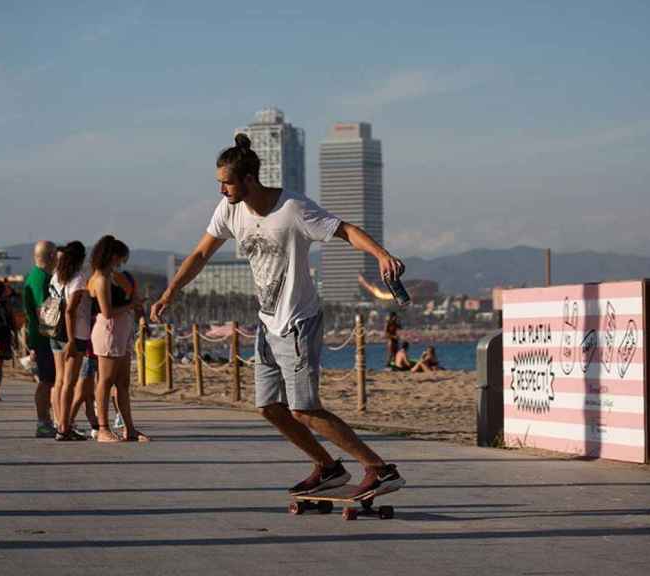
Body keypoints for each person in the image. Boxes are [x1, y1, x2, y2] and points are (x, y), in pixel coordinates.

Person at [151, 134, 406, 498]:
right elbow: (200, 254)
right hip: (268, 323)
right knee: (270, 407)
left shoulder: (293, 209)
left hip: (298, 321)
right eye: (220, 183)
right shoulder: (229, 210)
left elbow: (344, 229)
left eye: (227, 182)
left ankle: (380, 469)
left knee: (304, 409)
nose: (222, 189)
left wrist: (381, 255)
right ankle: (329, 467)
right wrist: (169, 292)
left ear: (249, 180)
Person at [88, 235, 147, 443]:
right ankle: (102, 428)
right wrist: (132, 305)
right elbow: (107, 312)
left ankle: (129, 428)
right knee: (105, 381)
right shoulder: (100, 279)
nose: (121, 263)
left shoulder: (111, 277)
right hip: (108, 332)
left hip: (120, 332)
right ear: (112, 256)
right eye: (120, 258)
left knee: (123, 382)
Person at [50, 241, 91, 441]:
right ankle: (64, 427)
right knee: (69, 383)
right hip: (74, 335)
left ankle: (60, 422)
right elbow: (70, 310)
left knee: (59, 381)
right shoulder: (78, 279)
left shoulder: (56, 277)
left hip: (54, 333)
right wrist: (72, 340)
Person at [22, 241, 58, 438]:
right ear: (51, 256)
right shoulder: (41, 279)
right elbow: (43, 310)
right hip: (44, 337)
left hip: (40, 336)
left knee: (48, 380)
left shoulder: (36, 277)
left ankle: (47, 419)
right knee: (47, 381)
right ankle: (43, 420)